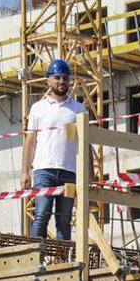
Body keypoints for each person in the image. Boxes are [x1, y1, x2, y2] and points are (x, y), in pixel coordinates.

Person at [20, 59, 86, 242]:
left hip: (69, 171)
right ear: (48, 80)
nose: (62, 81)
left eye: (65, 78)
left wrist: (87, 175)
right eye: (57, 77)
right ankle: (33, 257)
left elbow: (84, 143)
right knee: (42, 214)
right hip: (44, 170)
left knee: (64, 221)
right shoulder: (38, 108)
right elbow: (30, 142)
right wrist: (25, 171)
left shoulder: (78, 109)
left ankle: (61, 261)